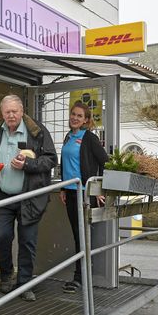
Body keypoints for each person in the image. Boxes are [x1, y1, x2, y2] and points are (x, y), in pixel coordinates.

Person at [0, 95, 56, 301]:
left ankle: (25, 284)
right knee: (1, 237)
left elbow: (51, 160)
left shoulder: (37, 131)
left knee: (27, 242)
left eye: (15, 111)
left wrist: (27, 165)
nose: (11, 115)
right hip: (3, 197)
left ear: (22, 111)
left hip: (29, 197)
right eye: (7, 112)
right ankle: (6, 275)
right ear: (2, 113)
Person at [59, 101, 109, 293]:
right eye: (73, 114)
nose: (75, 118)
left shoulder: (89, 138)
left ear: (86, 120)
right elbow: (64, 163)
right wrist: (63, 189)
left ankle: (80, 278)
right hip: (70, 192)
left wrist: (100, 189)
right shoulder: (68, 137)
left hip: (85, 194)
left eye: (80, 116)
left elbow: (105, 162)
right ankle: (81, 276)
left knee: (82, 236)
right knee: (76, 234)